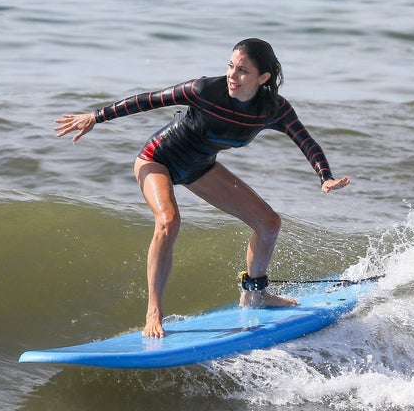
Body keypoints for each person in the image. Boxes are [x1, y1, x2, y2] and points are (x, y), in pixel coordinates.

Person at [54, 38, 350, 338]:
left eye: (243, 71)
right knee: (169, 221)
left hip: (200, 167)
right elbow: (147, 100)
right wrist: (96, 116)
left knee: (269, 223)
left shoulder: (272, 109)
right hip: (157, 159)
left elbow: (305, 140)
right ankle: (153, 313)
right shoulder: (204, 90)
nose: (233, 76)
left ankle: (254, 293)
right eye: (231, 66)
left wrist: (324, 175)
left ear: (263, 78)